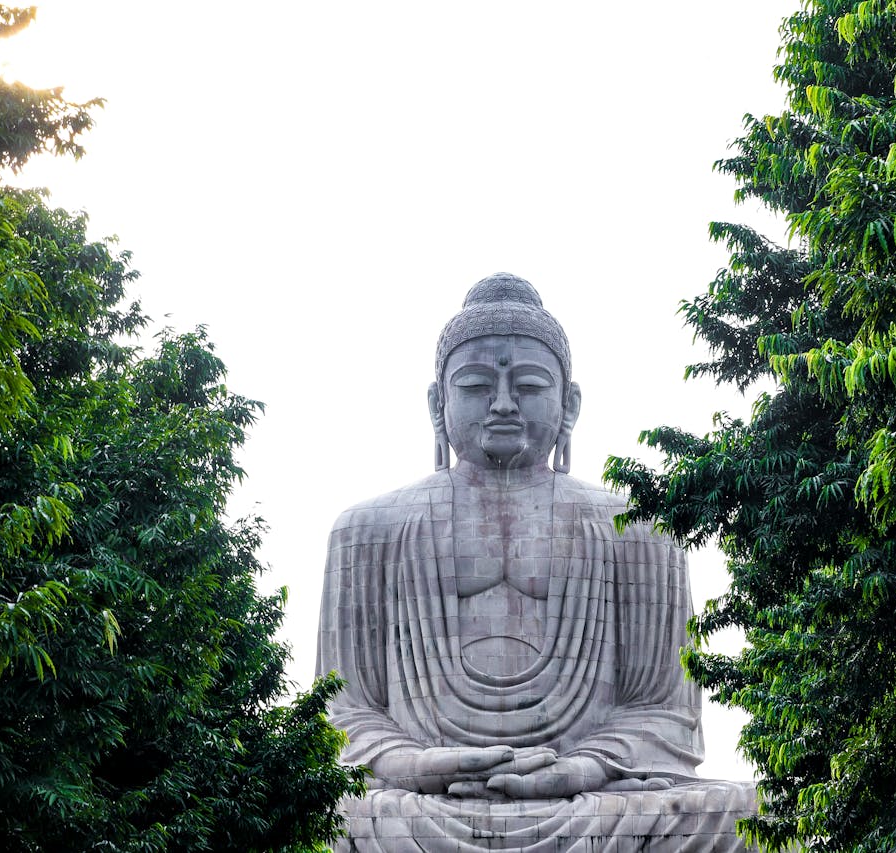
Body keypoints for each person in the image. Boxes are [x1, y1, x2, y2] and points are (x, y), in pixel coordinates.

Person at [316, 274, 756, 851]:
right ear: (436, 403)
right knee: (325, 820)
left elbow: (667, 715)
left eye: (527, 385)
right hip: (421, 806)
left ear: (569, 403)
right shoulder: (366, 530)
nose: (502, 404)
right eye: (475, 386)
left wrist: (585, 768)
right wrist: (412, 765)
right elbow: (339, 716)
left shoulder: (639, 530)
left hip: (596, 801)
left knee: (746, 817)